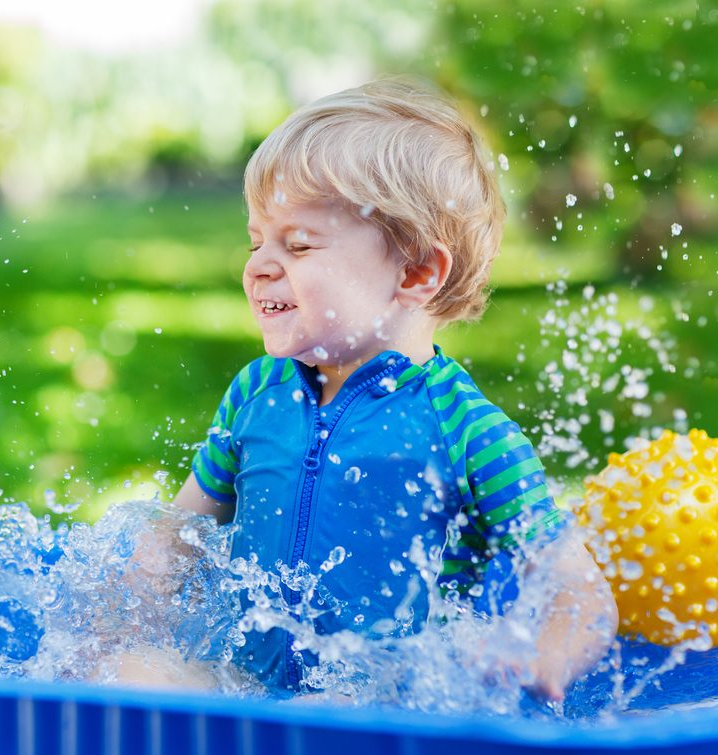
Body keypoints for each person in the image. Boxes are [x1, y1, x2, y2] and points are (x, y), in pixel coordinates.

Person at [147, 76, 616, 700]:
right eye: (257, 240)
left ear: (417, 270)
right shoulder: (256, 392)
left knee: (334, 712)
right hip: (246, 688)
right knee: (131, 674)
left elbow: (577, 585)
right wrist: (117, 623)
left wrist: (543, 658)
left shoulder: (468, 431)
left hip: (381, 707)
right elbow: (172, 538)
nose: (258, 265)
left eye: (299, 244)